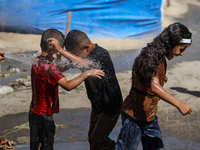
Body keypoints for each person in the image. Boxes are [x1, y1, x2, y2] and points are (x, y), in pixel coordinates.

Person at [115, 22, 192, 150]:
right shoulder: (150, 56)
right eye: (181, 49)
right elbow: (154, 86)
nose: (181, 54)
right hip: (134, 115)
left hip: (149, 116)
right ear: (172, 42)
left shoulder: (159, 56)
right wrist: (179, 104)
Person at [29, 29, 104, 150]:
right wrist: (86, 74)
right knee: (46, 146)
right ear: (54, 48)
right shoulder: (50, 68)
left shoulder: (38, 60)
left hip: (34, 111)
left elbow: (60, 69)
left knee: (36, 144)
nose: (61, 53)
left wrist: (71, 62)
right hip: (44, 115)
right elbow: (68, 85)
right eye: (59, 49)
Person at [48, 30, 123, 150]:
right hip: (97, 104)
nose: (75, 57)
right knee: (92, 138)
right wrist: (58, 54)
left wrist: (62, 50)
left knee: (98, 139)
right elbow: (62, 68)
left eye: (76, 54)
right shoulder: (81, 56)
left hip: (111, 105)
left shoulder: (100, 53)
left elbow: (85, 65)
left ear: (87, 47)